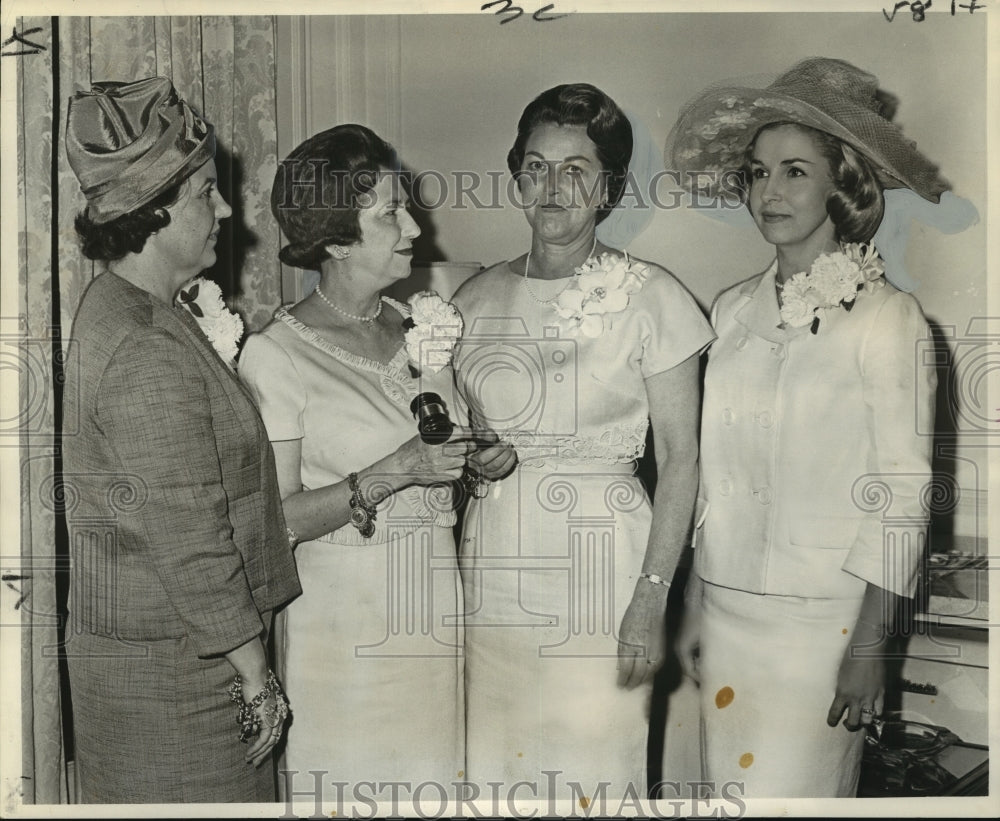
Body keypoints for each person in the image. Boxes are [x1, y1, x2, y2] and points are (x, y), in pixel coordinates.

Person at [665, 57, 943, 797]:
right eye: (757, 173)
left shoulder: (889, 319)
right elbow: (709, 474)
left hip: (825, 623)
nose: (769, 192)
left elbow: (902, 494)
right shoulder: (728, 311)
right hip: (724, 609)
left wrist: (871, 646)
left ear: (841, 183)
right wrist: (693, 601)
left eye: (794, 171)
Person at [451, 83, 715, 799]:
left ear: (609, 187)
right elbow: (466, 443)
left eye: (576, 169)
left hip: (602, 574)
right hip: (495, 569)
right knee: (498, 771)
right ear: (516, 177)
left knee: (594, 773)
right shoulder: (472, 301)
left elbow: (685, 460)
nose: (553, 187)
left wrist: (650, 598)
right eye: (536, 166)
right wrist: (478, 460)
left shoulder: (652, 297)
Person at [63, 77, 301, 803]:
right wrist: (258, 677)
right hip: (180, 683)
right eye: (206, 193)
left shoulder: (127, 307)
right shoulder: (145, 346)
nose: (226, 209)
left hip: (161, 659)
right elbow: (191, 536)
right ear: (154, 210)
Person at [238, 124, 473, 791]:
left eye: (406, 206)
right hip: (345, 632)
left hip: (434, 607)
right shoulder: (277, 353)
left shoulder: (421, 323)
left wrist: (477, 458)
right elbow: (278, 519)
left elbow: (439, 457)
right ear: (337, 240)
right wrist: (399, 469)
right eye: (389, 214)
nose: (413, 228)